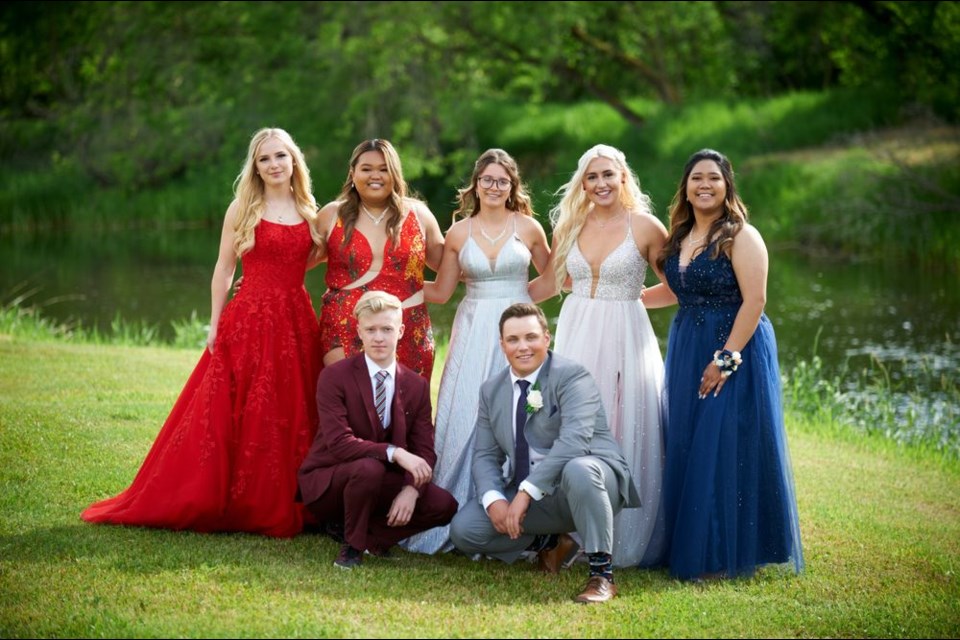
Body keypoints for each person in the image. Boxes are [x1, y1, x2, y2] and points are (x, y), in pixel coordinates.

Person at [82, 127, 323, 537]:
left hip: (296, 317)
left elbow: (310, 257)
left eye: (280, 156)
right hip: (247, 318)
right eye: (264, 159)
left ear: (294, 160)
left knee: (293, 402)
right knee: (237, 406)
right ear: (256, 167)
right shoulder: (243, 208)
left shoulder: (310, 211)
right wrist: (215, 321)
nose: (273, 165)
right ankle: (233, 500)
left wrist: (281, 278)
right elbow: (224, 269)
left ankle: (297, 498)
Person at [642, 148, 804, 580]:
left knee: (726, 440)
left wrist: (726, 359)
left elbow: (756, 301)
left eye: (713, 177)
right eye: (697, 178)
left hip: (734, 348)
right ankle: (698, 542)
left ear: (727, 185)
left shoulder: (740, 236)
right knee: (691, 441)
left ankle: (729, 549)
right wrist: (623, 300)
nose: (705, 185)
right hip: (686, 346)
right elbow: (680, 292)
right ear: (686, 188)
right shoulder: (680, 238)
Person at [402, 149, 550, 555]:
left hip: (518, 330)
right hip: (472, 329)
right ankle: (453, 512)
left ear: (512, 186)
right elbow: (443, 291)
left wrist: (520, 301)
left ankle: (525, 516)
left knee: (521, 414)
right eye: (487, 179)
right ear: (476, 184)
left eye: (502, 181)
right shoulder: (459, 233)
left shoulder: (530, 228)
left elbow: (553, 279)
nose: (494, 187)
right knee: (465, 410)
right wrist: (395, 292)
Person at [528, 143, 669, 568]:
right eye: (592, 177)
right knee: (571, 421)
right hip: (577, 330)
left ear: (623, 177)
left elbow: (678, 286)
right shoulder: (570, 225)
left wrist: (633, 298)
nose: (601, 183)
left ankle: (619, 534)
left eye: (608, 174)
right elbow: (553, 284)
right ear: (583, 184)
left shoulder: (645, 227)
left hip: (626, 330)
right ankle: (565, 531)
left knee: (624, 418)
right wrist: (492, 294)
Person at [449, 303, 640, 604]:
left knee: (579, 468)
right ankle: (551, 543)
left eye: (531, 337)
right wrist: (494, 499)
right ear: (502, 344)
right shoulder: (491, 390)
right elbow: (485, 454)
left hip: (592, 484)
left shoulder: (573, 376)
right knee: (465, 530)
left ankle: (602, 575)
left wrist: (524, 493)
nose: (523, 347)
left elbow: (574, 443)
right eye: (513, 340)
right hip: (537, 497)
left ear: (547, 338)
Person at [298, 291, 458, 568]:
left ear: (401, 331)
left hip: (378, 479)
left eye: (386, 329)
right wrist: (395, 453)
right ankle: (352, 548)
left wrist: (411, 489)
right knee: (368, 469)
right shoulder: (335, 376)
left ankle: (372, 537)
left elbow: (424, 450)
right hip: (330, 479)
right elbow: (339, 443)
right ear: (359, 331)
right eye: (370, 330)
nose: (379, 337)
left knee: (444, 505)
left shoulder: (416, 385)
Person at [315, 138, 444, 381]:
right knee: (350, 407)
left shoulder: (419, 215)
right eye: (367, 169)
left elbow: (452, 264)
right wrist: (257, 279)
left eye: (384, 169)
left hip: (407, 329)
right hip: (344, 328)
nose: (376, 175)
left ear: (395, 174)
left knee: (406, 411)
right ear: (353, 173)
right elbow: (294, 260)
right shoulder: (331, 215)